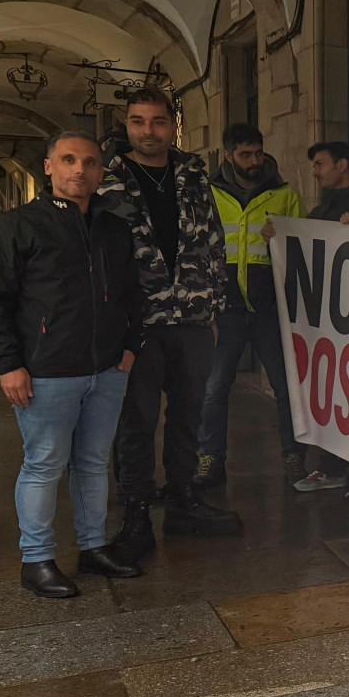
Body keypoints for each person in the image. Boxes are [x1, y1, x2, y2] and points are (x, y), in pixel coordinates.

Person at [0, 131, 144, 597]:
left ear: (100, 172)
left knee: (91, 464)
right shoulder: (14, 227)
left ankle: (92, 548)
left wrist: (129, 345)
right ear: (49, 168)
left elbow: (134, 291)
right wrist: (9, 364)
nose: (79, 170)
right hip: (46, 373)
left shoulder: (114, 229)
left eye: (89, 163)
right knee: (44, 464)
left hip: (106, 369)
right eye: (68, 160)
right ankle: (37, 559)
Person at [101, 88, 241, 565]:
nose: (148, 131)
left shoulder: (193, 175)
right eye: (138, 122)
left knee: (189, 413)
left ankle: (182, 500)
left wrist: (215, 309)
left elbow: (215, 242)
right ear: (126, 124)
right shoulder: (108, 179)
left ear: (171, 125)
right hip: (138, 324)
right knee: (135, 419)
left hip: (194, 319)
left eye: (158, 122)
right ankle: (136, 512)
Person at [192, 124, 307, 491]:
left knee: (287, 387)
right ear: (228, 155)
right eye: (245, 155)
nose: (254, 161)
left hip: (269, 309)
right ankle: (210, 459)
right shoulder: (208, 194)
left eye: (258, 153)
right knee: (214, 389)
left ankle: (294, 456)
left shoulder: (284, 194)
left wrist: (286, 235)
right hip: (224, 310)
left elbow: (305, 244)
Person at [284, 141, 349, 502]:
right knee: (334, 395)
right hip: (328, 324)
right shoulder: (323, 210)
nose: (315, 171)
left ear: (343, 165)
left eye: (321, 164)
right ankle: (334, 466)